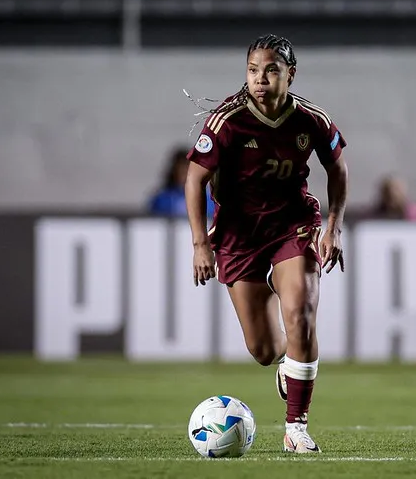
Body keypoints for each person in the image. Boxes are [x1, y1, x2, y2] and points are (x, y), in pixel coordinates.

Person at [185, 34, 348, 453]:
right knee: (263, 349)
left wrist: (333, 226)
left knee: (302, 310)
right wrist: (200, 243)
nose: (260, 79)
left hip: (292, 221)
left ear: (290, 75)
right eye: (253, 70)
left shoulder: (311, 119)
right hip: (238, 233)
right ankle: (287, 362)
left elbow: (338, 169)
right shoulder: (228, 120)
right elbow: (194, 179)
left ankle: (296, 427)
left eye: (271, 70)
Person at [148, 147, 216, 218]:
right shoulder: (162, 199)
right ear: (174, 172)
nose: (185, 174)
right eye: (181, 170)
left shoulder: (208, 200)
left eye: (187, 169)